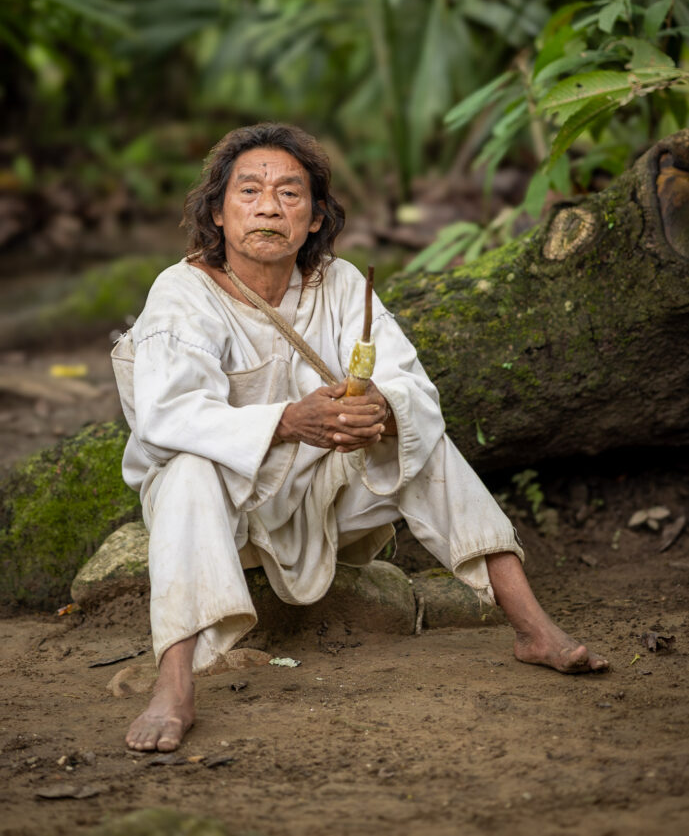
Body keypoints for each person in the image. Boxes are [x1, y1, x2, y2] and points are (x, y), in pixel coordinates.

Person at [114, 122, 608, 755]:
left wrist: (381, 408)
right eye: (250, 192)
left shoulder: (342, 284)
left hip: (322, 503)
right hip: (224, 510)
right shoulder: (181, 292)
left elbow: (415, 388)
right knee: (183, 468)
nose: (270, 206)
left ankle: (532, 628)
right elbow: (166, 416)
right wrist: (290, 420)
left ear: (316, 218)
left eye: (291, 194)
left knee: (422, 442)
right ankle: (175, 683)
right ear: (218, 210)